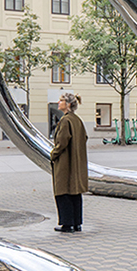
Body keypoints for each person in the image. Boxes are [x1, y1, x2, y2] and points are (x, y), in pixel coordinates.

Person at [50, 91, 88, 233]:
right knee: (75, 192)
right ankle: (77, 223)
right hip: (76, 162)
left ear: (68, 105)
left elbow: (62, 142)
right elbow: (84, 137)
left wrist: (53, 154)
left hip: (65, 162)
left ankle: (66, 223)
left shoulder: (65, 121)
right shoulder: (77, 120)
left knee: (62, 191)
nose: (58, 103)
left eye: (61, 101)